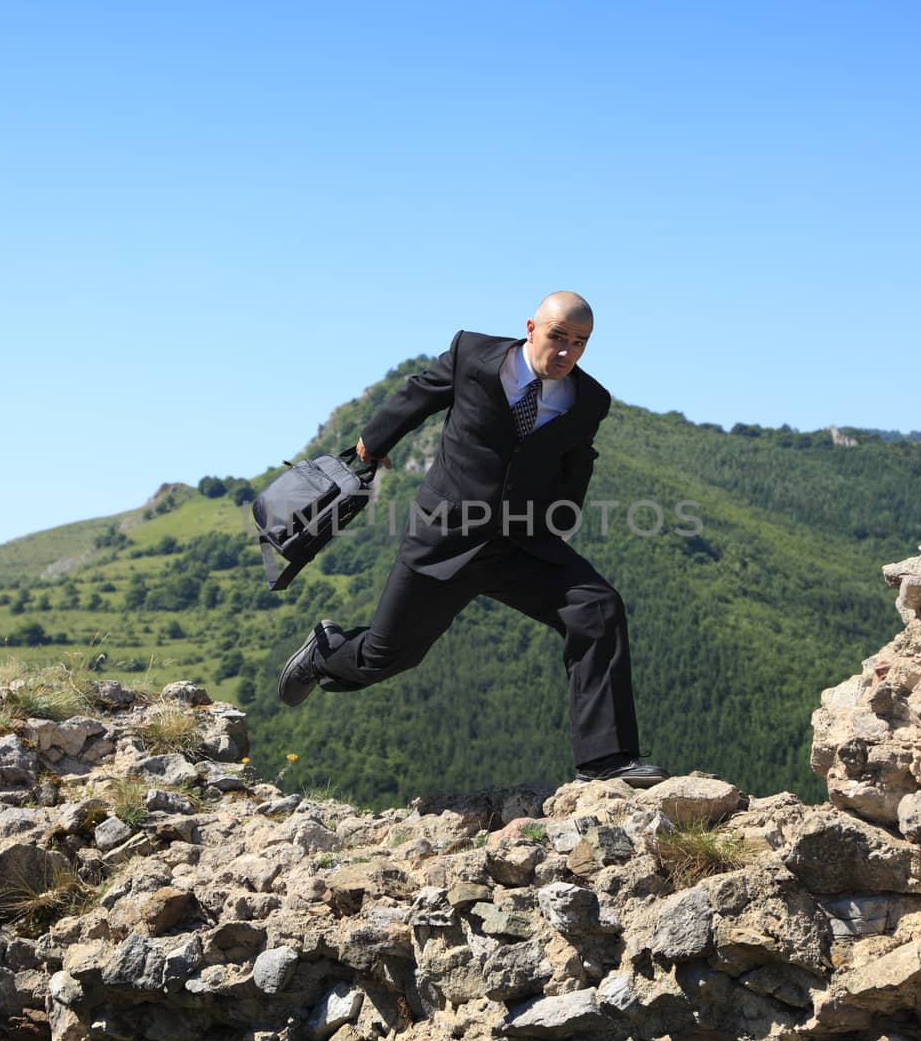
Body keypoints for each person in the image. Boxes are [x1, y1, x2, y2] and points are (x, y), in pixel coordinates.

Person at [276, 291, 667, 788]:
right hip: (445, 540)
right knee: (386, 656)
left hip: (521, 545)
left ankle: (605, 762)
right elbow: (418, 394)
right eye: (558, 337)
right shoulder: (472, 355)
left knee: (598, 608)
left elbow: (576, 460)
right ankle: (325, 649)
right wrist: (375, 442)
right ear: (531, 327)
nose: (567, 352)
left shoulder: (589, 400)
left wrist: (559, 523)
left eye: (580, 343)